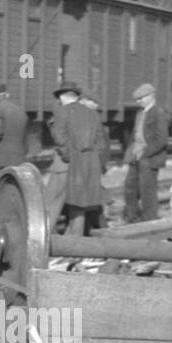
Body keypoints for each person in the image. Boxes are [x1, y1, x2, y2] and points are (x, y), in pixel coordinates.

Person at [50, 82, 106, 235]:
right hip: (87, 164)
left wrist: (69, 156)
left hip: (66, 164)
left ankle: (43, 239)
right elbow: (100, 141)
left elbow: (59, 138)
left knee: (52, 202)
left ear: (63, 96)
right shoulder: (92, 114)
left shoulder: (62, 111)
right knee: (79, 205)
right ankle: (74, 243)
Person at [123, 82, 169, 223]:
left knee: (147, 191)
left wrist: (145, 153)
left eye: (141, 98)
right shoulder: (140, 113)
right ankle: (132, 218)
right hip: (136, 157)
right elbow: (135, 134)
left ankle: (150, 220)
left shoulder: (158, 113)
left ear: (151, 96)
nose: (138, 102)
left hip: (149, 159)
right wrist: (131, 153)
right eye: (137, 99)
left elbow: (161, 139)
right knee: (130, 188)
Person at [0, 83, 29, 173]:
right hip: (19, 159)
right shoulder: (21, 110)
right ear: (7, 95)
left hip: (1, 159)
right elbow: (25, 141)